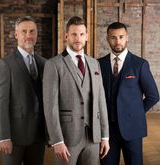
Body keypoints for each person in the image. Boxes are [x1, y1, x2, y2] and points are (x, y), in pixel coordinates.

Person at [43, 16, 110, 165]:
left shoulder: (94, 64)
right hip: (67, 137)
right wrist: (57, 140)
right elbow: (50, 107)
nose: (78, 38)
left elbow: (101, 101)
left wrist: (105, 136)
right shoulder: (53, 64)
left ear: (86, 36)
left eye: (81, 34)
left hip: (93, 136)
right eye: (73, 34)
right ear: (66, 36)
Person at [98, 22, 160, 165]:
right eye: (113, 37)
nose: (117, 41)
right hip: (107, 131)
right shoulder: (99, 64)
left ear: (127, 38)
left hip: (132, 129)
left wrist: (135, 113)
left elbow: (153, 96)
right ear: (108, 39)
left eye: (121, 37)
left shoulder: (139, 64)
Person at [0, 16, 46, 165]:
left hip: (39, 135)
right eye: (24, 31)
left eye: (32, 31)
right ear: (16, 34)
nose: (28, 35)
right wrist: (4, 137)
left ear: (37, 34)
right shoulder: (5, 64)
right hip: (15, 136)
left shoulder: (44, 63)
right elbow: (1, 103)